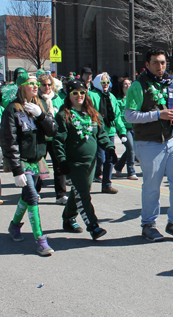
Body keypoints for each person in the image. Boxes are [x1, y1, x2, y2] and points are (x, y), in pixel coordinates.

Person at [125, 48, 173, 242]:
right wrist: (157, 115)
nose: (160, 66)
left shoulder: (171, 83)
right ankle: (148, 225)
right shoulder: (138, 86)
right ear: (147, 64)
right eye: (155, 62)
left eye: (162, 62)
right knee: (152, 186)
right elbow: (129, 115)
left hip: (171, 139)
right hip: (148, 142)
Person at [1, 70, 58, 255]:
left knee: (27, 197)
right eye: (30, 83)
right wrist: (16, 170)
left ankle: (14, 225)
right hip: (23, 162)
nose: (35, 86)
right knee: (33, 197)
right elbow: (9, 141)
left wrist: (42, 115)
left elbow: (53, 131)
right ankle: (40, 240)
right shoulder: (11, 110)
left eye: (35, 83)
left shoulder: (40, 105)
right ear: (21, 86)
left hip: (37, 161)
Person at [53, 80, 115, 239]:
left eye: (82, 92)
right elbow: (58, 141)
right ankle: (93, 226)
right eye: (75, 92)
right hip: (74, 163)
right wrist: (62, 161)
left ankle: (68, 219)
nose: (79, 95)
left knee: (80, 192)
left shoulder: (93, 114)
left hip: (91, 163)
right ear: (69, 95)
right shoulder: (63, 115)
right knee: (83, 195)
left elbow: (102, 135)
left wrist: (110, 149)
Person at [88, 72, 127, 193]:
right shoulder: (91, 95)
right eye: (103, 82)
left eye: (107, 82)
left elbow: (117, 116)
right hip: (97, 132)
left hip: (109, 132)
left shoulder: (111, 96)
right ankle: (88, 181)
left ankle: (106, 184)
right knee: (100, 158)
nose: (105, 85)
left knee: (109, 158)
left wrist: (122, 131)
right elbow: (90, 113)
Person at [37, 72, 67, 204]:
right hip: (41, 138)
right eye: (44, 85)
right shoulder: (36, 99)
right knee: (38, 167)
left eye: (49, 84)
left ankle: (60, 195)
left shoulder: (57, 98)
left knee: (59, 166)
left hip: (55, 138)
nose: (47, 87)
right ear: (39, 86)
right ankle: (35, 192)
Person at [114, 77, 138, 180]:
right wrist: (122, 130)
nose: (128, 86)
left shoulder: (134, 99)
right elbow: (117, 117)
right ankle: (131, 172)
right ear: (121, 86)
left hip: (134, 127)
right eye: (125, 84)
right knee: (131, 148)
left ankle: (118, 166)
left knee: (131, 149)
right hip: (124, 128)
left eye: (129, 84)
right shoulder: (118, 101)